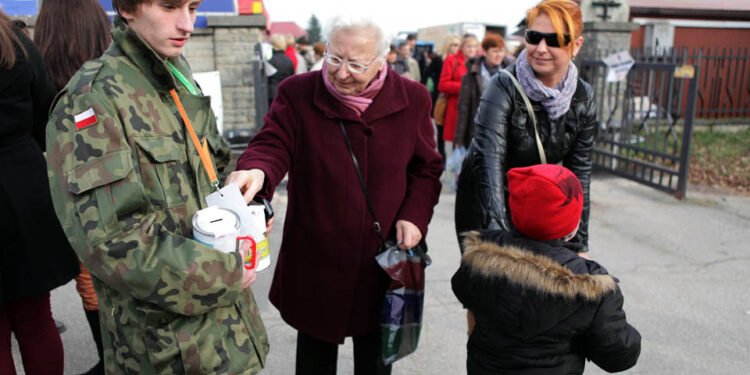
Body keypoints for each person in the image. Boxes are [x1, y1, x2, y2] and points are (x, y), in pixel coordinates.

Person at [44, 1, 269, 374]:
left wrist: (242, 205)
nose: (187, 24)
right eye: (169, 6)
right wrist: (226, 273)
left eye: (193, 7)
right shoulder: (91, 99)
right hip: (167, 353)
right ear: (128, 8)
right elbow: (114, 243)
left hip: (230, 338)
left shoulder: (174, 74)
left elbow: (209, 170)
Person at [227, 17, 443, 375]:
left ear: (382, 59)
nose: (342, 74)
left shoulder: (414, 99)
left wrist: (414, 216)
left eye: (357, 64)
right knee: (314, 357)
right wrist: (257, 170)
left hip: (382, 261)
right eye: (334, 58)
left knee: (376, 358)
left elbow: (426, 169)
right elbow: (272, 143)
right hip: (316, 257)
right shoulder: (298, 92)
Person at [452, 164, 641, 374]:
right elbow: (619, 355)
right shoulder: (590, 284)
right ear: (572, 225)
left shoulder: (481, 256)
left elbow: (462, 290)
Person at [455, 0, 596, 254]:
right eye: (534, 37)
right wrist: (498, 240)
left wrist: (579, 243)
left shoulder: (583, 96)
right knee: (498, 286)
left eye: (554, 40)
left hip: (537, 204)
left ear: (576, 45)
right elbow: (489, 164)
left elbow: (580, 174)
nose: (541, 48)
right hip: (487, 201)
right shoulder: (502, 86)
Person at [33, 1, 111, 372]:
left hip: (64, 194)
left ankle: (108, 356)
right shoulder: (110, 77)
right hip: (112, 191)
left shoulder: (40, 75)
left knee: (88, 277)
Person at [0, 11, 79, 375]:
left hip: (21, 181)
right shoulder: (16, 42)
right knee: (36, 319)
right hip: (24, 187)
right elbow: (47, 111)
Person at [454, 33, 515, 148]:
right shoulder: (472, 75)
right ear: (485, 52)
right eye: (495, 51)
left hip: (503, 131)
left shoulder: (511, 74)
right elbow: (463, 108)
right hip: (478, 130)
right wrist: (459, 138)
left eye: (501, 51)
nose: (499, 55)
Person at [438, 33, 479, 147]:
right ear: (462, 47)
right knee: (453, 150)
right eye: (469, 46)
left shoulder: (479, 62)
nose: (472, 49)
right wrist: (465, 87)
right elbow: (442, 85)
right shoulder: (451, 60)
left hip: (474, 111)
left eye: (474, 46)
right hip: (455, 109)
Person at [428, 35, 459, 162]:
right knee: (440, 131)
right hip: (441, 98)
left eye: (458, 44)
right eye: (454, 44)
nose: (456, 47)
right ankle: (442, 158)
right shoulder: (439, 60)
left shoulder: (460, 61)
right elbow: (427, 74)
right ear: (448, 45)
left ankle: (453, 159)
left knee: (455, 131)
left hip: (453, 100)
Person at [268, 33, 295, 105]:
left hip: (272, 95)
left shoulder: (270, 61)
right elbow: (292, 77)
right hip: (286, 93)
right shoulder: (289, 61)